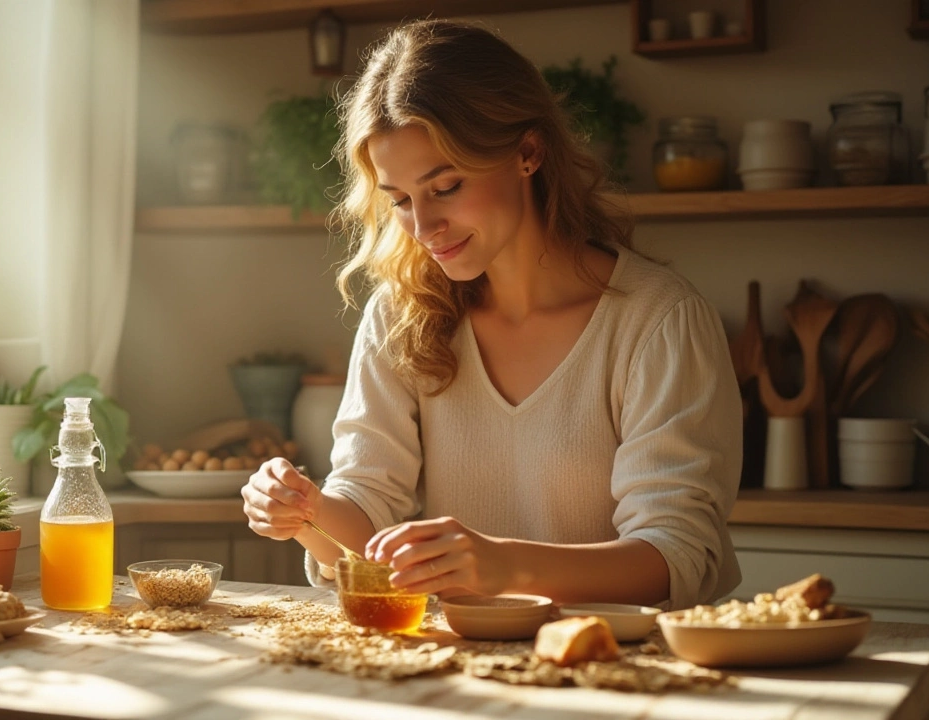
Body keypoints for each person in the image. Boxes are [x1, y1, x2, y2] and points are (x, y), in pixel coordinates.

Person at [241, 19, 742, 610]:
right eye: (399, 200)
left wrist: (502, 565)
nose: (423, 228)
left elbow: (676, 556)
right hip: (455, 673)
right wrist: (306, 514)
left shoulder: (659, 322)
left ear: (528, 152)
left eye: (446, 186)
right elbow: (368, 530)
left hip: (620, 672)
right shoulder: (400, 317)